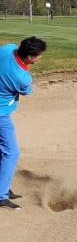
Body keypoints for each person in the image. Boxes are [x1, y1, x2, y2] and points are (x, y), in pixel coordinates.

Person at [0, 36, 47, 210]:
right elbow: (26, 91)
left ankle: (2, 186)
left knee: (2, 151)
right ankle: (1, 196)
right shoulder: (22, 77)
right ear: (29, 57)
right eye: (38, 56)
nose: (39, 58)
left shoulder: (8, 48)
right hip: (0, 115)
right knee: (11, 152)